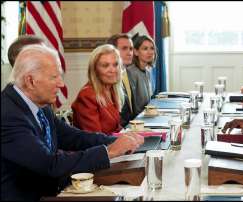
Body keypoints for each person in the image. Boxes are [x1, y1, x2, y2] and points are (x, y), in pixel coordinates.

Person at [1, 44, 144, 201]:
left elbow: (73, 137)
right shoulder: (8, 114)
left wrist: (117, 141)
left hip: (55, 190)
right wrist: (109, 151)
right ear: (30, 81)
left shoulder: (37, 102)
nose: (61, 84)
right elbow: (49, 165)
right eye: (54, 77)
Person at [72, 44, 125, 135]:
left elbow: (116, 128)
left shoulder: (111, 90)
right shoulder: (87, 95)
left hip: (112, 144)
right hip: (100, 147)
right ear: (95, 70)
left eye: (115, 64)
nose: (113, 70)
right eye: (105, 66)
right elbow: (94, 138)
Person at [107, 33, 135, 125]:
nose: (129, 53)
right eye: (124, 48)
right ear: (112, 51)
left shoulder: (128, 73)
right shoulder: (108, 79)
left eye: (131, 48)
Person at [127, 35, 157, 116]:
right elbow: (134, 107)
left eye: (152, 48)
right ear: (136, 52)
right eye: (145, 49)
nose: (150, 52)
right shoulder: (131, 72)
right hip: (137, 120)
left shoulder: (148, 71)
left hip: (147, 114)